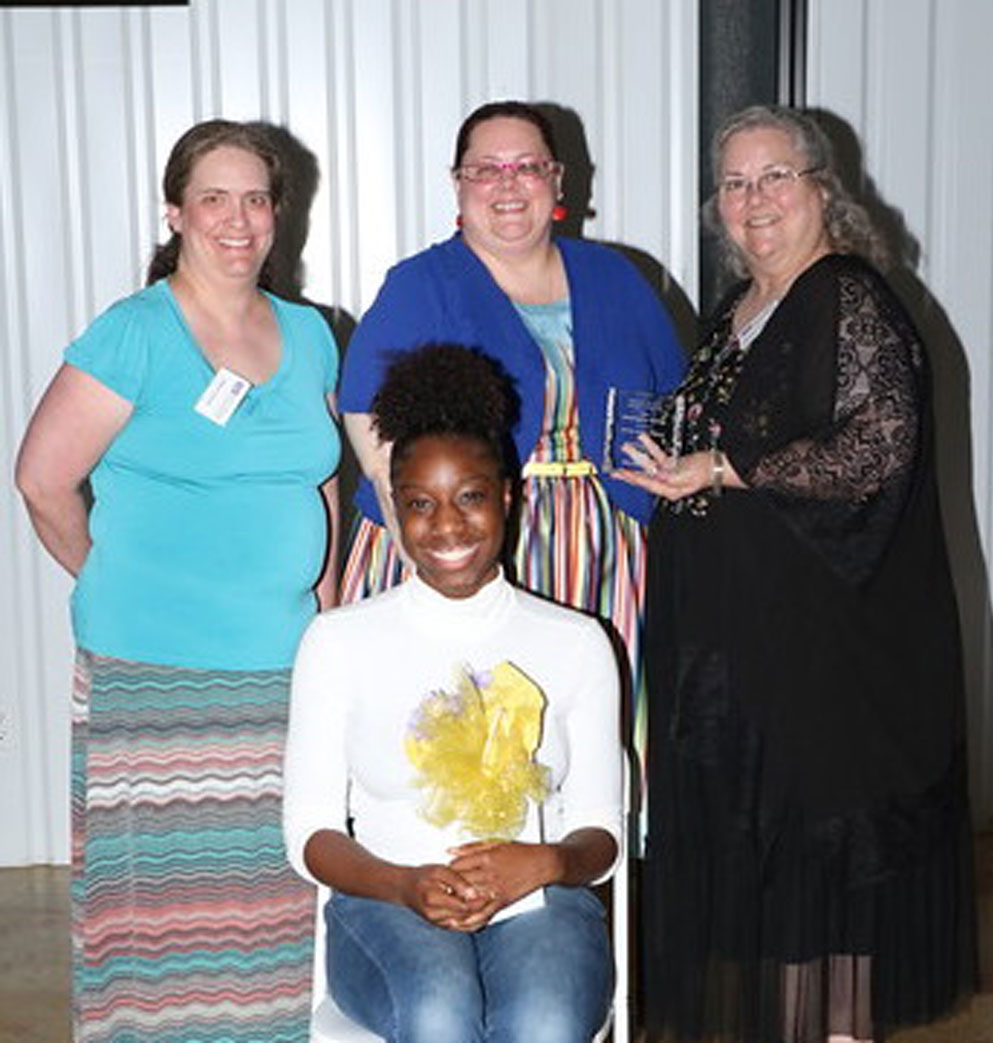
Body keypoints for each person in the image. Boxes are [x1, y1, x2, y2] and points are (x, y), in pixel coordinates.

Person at [616, 105, 977, 1042]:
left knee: (818, 874)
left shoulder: (846, 292)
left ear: (822, 188)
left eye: (775, 175)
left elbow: (879, 445)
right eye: (734, 183)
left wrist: (727, 469)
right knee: (770, 877)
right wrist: (673, 458)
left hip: (825, 648)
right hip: (743, 638)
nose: (754, 199)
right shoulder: (740, 309)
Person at [15, 119, 341, 1042]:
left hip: (280, 669)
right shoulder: (135, 331)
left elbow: (322, 479)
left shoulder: (312, 335)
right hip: (152, 674)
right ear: (176, 212)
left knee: (270, 908)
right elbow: (41, 480)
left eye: (256, 198)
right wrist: (116, 573)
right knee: (154, 920)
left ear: (278, 212)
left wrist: (320, 604)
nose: (237, 219)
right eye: (214, 198)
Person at [284, 344, 622, 1043]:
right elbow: (309, 835)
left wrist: (548, 861)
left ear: (506, 495)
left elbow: (602, 830)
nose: (447, 527)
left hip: (542, 901)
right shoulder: (338, 640)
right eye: (420, 503)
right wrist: (405, 882)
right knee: (440, 1013)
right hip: (385, 898)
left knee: (546, 1021)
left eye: (469, 496)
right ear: (395, 509)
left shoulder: (576, 640)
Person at [338, 99, 686, 759]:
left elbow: (672, 402)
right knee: (464, 738)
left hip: (599, 549)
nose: (507, 182)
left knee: (579, 736)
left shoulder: (617, 277)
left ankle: (578, 857)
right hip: (460, 537)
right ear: (458, 183)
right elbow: (369, 421)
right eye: (486, 168)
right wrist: (427, 550)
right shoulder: (421, 284)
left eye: (527, 166)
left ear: (558, 181)